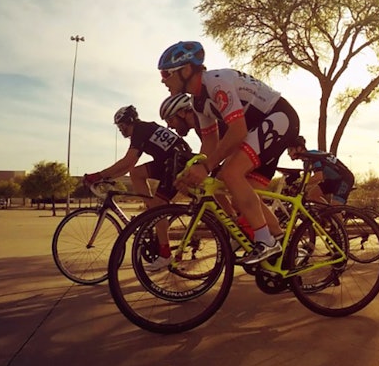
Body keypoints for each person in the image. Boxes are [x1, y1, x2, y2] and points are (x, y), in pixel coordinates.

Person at [158, 40, 301, 265]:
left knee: (230, 174)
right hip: (258, 128)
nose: (162, 80)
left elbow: (237, 130)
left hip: (279, 117)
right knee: (238, 188)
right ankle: (285, 245)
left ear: (186, 70)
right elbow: (210, 142)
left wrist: (206, 167)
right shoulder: (198, 102)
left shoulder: (217, 83)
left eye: (166, 74)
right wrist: (192, 169)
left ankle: (266, 241)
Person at [83, 104, 194, 271]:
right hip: (168, 160)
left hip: (177, 163)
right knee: (136, 173)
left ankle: (165, 254)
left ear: (130, 122)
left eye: (122, 126)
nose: (120, 130)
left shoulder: (140, 130)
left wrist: (97, 176)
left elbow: (128, 161)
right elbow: (129, 168)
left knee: (158, 207)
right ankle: (151, 211)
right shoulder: (144, 129)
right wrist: (106, 177)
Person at [286, 136, 356, 204]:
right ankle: (326, 214)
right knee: (312, 196)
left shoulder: (313, 156)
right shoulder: (306, 162)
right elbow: (308, 180)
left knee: (335, 210)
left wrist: (300, 184)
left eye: (290, 150)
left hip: (345, 179)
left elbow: (318, 177)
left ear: (299, 148)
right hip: (332, 180)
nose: (288, 153)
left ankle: (333, 213)